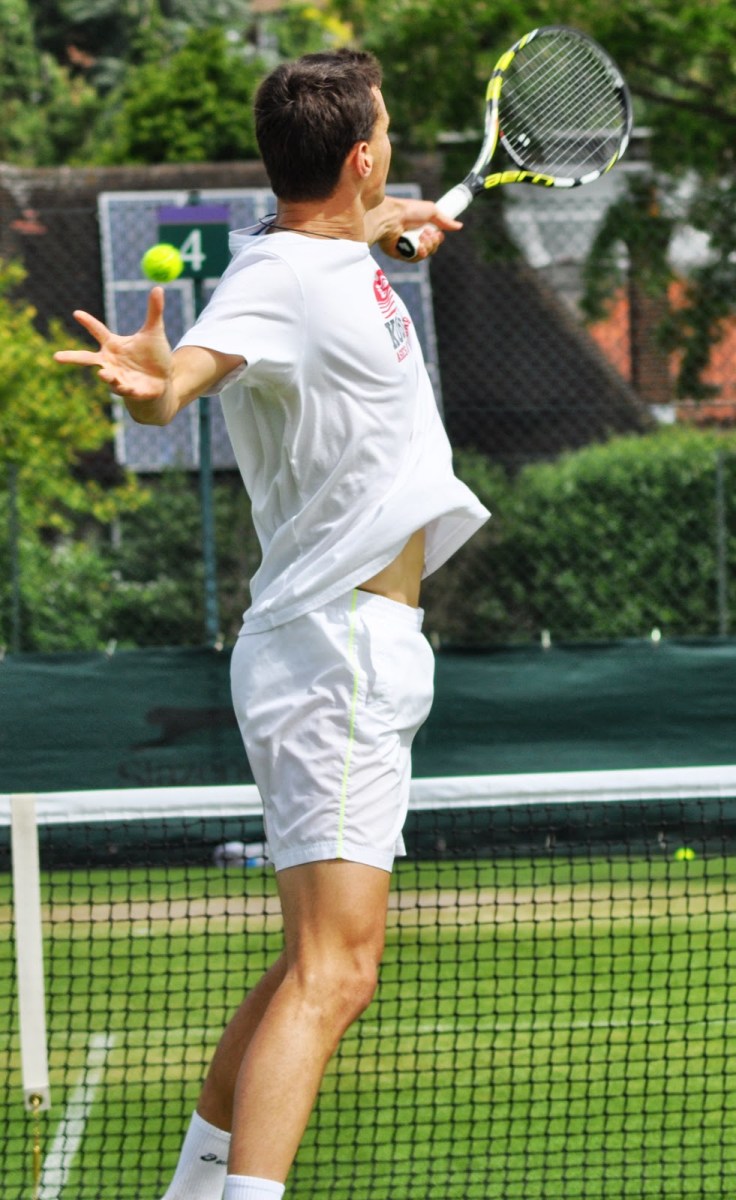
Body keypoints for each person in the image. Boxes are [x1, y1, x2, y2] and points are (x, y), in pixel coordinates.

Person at [55, 48, 490, 1200]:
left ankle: (197, 1192)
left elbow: (346, 242)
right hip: (334, 651)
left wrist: (391, 227)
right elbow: (200, 364)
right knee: (336, 974)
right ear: (360, 155)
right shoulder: (283, 276)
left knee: (316, 962)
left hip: (345, 648)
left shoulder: (329, 248)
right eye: (383, 129)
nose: (388, 141)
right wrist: (163, 383)